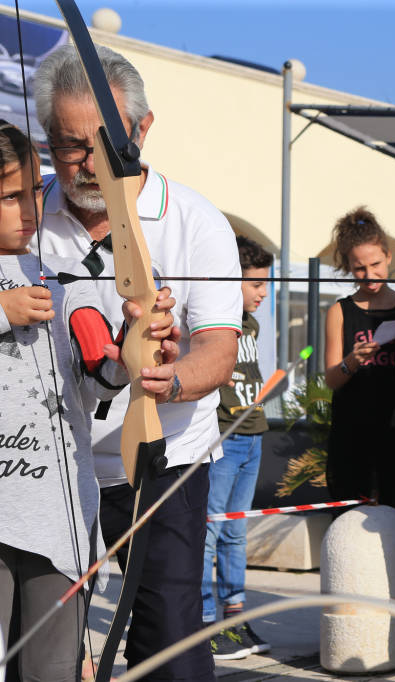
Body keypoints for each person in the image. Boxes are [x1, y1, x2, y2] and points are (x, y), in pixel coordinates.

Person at [33, 45, 241, 681]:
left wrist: (168, 375)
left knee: (170, 641)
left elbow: (218, 350)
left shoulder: (196, 221)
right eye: (70, 147)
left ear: (142, 130)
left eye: (106, 143)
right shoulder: (22, 215)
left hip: (160, 461)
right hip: (47, 470)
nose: (89, 164)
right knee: (47, 642)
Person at [0, 121, 176, 681]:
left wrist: (130, 346)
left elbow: (94, 384)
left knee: (51, 668)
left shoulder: (60, 282)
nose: (29, 208)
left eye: (33, 191)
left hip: (60, 519)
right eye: (9, 196)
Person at [324, 207, 395, 512]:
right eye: (359, 269)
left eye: (376, 264)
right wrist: (352, 361)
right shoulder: (340, 311)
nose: (369, 276)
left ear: (389, 256)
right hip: (354, 435)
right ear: (348, 268)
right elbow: (331, 378)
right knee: (349, 522)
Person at [203, 235, 273, 660]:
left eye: (266, 284)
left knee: (234, 532)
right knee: (209, 533)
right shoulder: (216, 321)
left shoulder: (253, 323)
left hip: (253, 433)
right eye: (256, 284)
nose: (263, 293)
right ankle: (205, 620)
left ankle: (234, 618)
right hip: (224, 438)